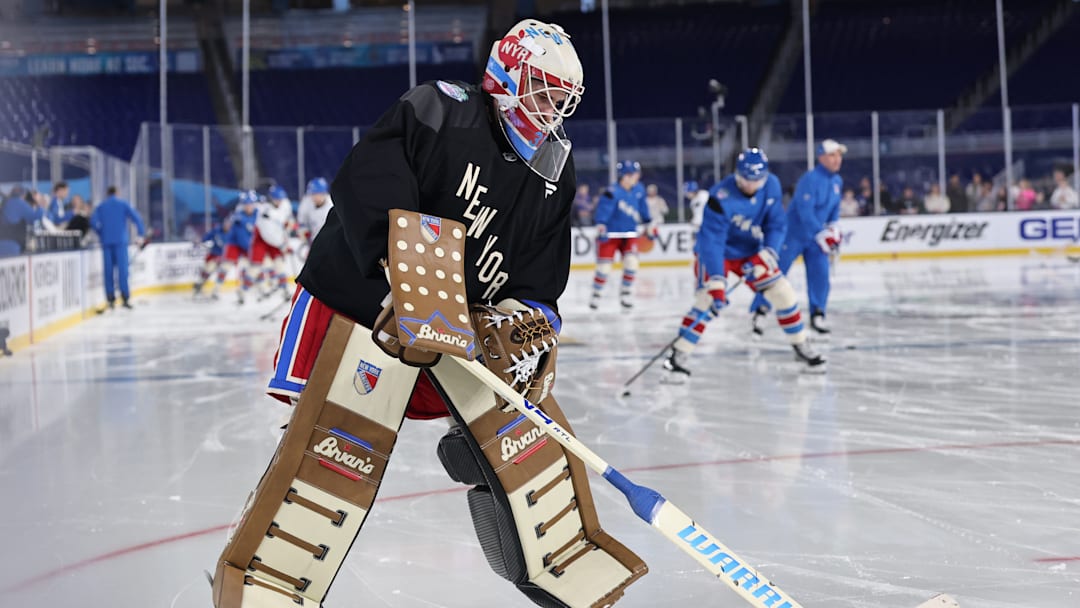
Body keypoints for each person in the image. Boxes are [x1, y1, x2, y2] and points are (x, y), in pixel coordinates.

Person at [210, 18, 646, 608]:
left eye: (564, 97)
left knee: (512, 436)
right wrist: (403, 276)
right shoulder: (441, 110)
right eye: (544, 89)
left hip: (461, 324)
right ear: (506, 77)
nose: (554, 108)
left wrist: (528, 319)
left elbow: (542, 271)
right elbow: (369, 178)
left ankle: (553, 555)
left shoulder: (553, 169)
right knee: (325, 446)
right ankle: (266, 579)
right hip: (362, 304)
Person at [662, 148, 825, 379]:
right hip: (718, 255)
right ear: (737, 176)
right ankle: (678, 356)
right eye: (746, 180)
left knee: (783, 293)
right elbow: (712, 242)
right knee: (706, 302)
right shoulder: (720, 198)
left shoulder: (772, 186)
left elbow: (776, 224)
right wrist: (718, 282)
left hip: (750, 252)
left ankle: (800, 345)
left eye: (756, 180)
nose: (751, 185)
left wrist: (768, 252)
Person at [750, 139, 845, 335]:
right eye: (833, 155)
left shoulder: (837, 182)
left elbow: (834, 210)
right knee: (776, 273)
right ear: (822, 157)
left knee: (820, 274)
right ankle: (760, 310)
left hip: (816, 239)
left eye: (839, 155)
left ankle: (818, 313)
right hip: (793, 234)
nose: (838, 159)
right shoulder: (810, 179)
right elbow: (804, 210)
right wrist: (821, 232)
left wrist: (833, 229)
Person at [589, 159, 656, 310]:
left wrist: (649, 223)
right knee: (604, 267)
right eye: (634, 174)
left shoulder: (639, 189)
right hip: (611, 234)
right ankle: (596, 294)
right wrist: (601, 227)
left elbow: (643, 209)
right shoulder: (612, 192)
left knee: (632, 263)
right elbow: (602, 213)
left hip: (630, 233)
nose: (637, 177)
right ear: (626, 175)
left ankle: (626, 293)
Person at [90, 186, 146, 310]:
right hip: (120, 242)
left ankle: (110, 299)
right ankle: (125, 298)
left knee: (108, 271)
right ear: (117, 193)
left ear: (107, 193)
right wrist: (141, 234)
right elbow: (137, 218)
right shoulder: (123, 203)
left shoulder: (101, 206)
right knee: (123, 270)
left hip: (106, 242)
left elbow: (93, 222)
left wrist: (101, 232)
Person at [250, 184, 296, 300]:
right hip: (264, 239)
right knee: (259, 265)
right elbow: (269, 234)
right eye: (276, 199)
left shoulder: (285, 204)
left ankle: (284, 290)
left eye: (280, 199)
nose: (279, 201)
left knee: (279, 265)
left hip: (277, 239)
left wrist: (289, 224)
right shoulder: (264, 212)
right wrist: (283, 244)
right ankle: (258, 288)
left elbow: (288, 220)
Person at [221, 191, 258, 305]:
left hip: (248, 245)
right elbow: (227, 227)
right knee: (227, 266)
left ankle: (249, 290)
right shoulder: (238, 216)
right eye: (246, 204)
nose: (249, 207)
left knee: (254, 268)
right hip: (236, 244)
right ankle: (215, 290)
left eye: (250, 204)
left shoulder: (258, 214)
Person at [0, 188, 45, 257]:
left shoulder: (5, 203)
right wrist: (40, 205)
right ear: (23, 195)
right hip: (13, 243)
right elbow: (34, 218)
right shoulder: (19, 203)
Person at [193, 216, 230, 298]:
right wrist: (200, 240)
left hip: (226, 257)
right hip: (214, 255)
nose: (227, 226)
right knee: (207, 270)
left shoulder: (233, 233)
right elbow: (207, 237)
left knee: (223, 273)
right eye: (226, 224)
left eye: (229, 224)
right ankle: (199, 285)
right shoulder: (217, 230)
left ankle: (216, 291)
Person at [296, 176, 334, 245]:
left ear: (324, 193)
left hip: (330, 242)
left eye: (317, 194)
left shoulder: (332, 206)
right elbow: (301, 224)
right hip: (313, 241)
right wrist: (303, 233)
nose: (314, 197)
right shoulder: (306, 203)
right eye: (312, 194)